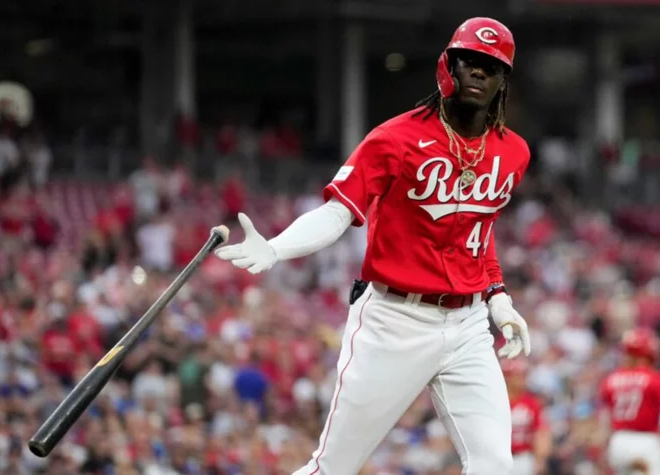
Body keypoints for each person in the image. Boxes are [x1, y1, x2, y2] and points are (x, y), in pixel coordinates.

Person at [216, 17, 531, 474]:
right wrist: (278, 248)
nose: (480, 72)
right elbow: (336, 214)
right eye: (470, 61)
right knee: (334, 468)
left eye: (492, 65)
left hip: (467, 326)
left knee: (495, 465)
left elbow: (478, 233)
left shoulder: (513, 151)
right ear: (448, 66)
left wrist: (498, 298)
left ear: (504, 80)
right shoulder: (396, 138)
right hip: (394, 321)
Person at [598, 327, 660, 475]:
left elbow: (605, 419)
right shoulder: (654, 379)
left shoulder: (610, 379)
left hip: (618, 442)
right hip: (645, 442)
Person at [502, 359, 552, 475]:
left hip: (523, 457)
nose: (523, 379)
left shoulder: (532, 403)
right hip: (499, 458)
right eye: (518, 375)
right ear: (508, 377)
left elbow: (542, 432)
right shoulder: (497, 402)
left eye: (524, 375)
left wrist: (540, 459)